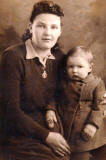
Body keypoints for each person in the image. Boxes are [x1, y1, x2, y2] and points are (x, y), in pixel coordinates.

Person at [1, 1, 71, 160]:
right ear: (31, 27)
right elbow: (10, 110)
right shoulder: (13, 56)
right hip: (19, 136)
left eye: (54, 27)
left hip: (53, 131)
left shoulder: (61, 57)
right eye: (41, 26)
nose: (48, 33)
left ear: (60, 31)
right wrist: (47, 137)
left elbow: (75, 87)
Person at [46, 46, 106, 160]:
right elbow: (54, 97)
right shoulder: (63, 83)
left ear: (90, 67)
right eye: (70, 67)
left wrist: (92, 124)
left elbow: (100, 106)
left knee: (83, 153)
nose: (74, 70)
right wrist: (50, 110)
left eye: (79, 67)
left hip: (85, 129)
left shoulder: (96, 84)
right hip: (66, 127)